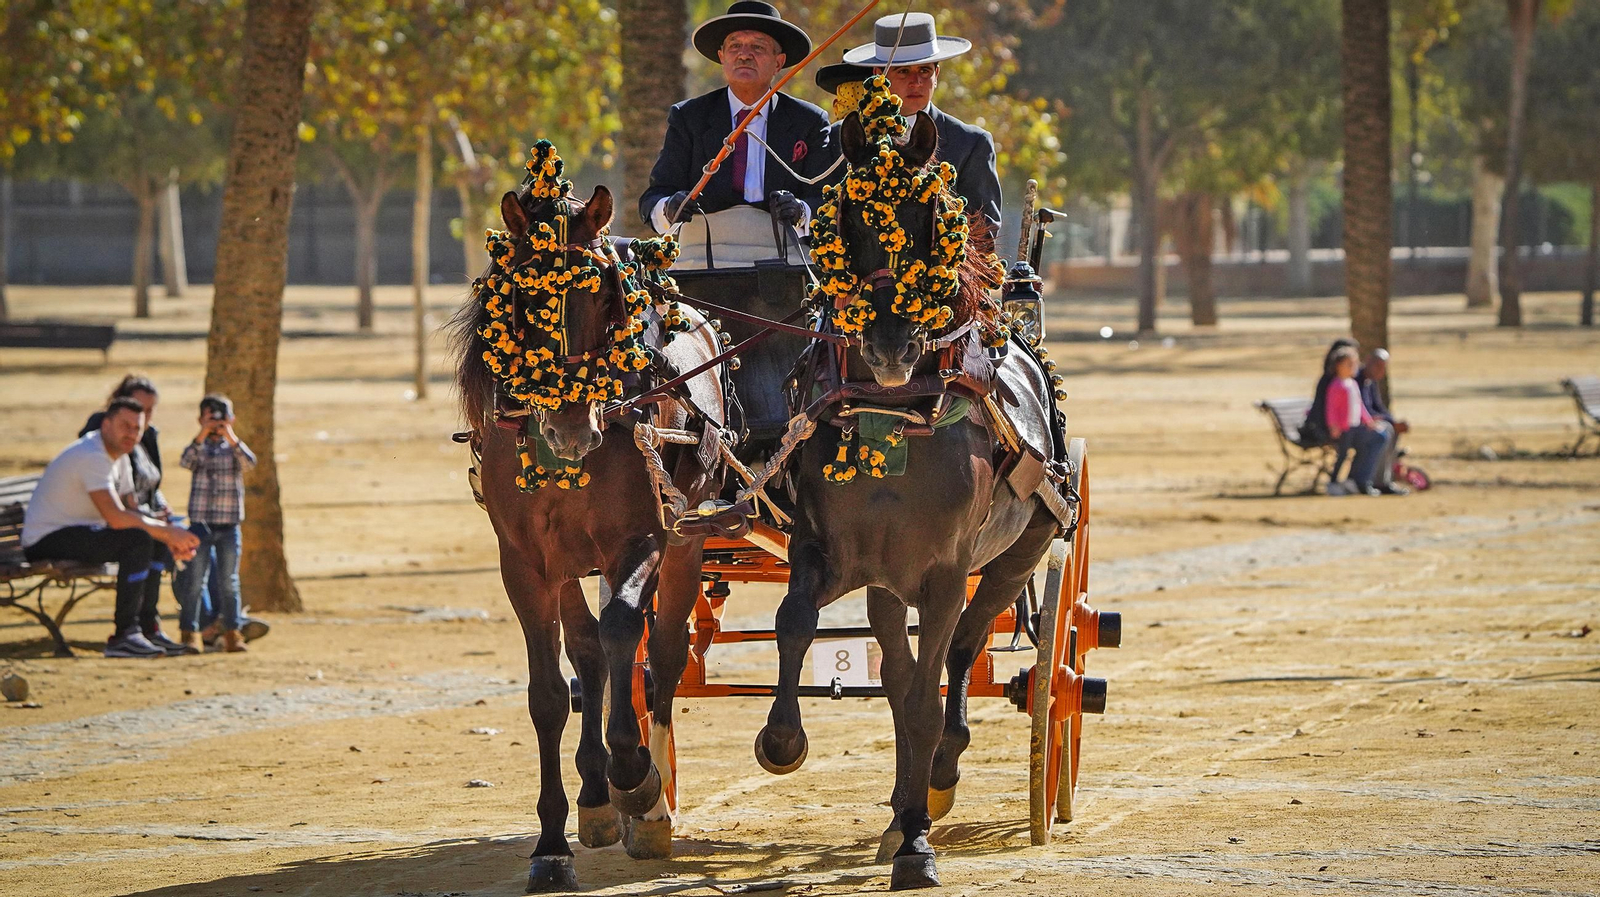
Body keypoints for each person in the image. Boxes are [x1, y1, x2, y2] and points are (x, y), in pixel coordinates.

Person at [23, 397, 200, 657]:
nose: (131, 433)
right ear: (106, 424)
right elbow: (116, 517)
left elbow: (132, 510)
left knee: (152, 539)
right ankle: (124, 636)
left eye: (137, 428)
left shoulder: (121, 456)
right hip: (46, 538)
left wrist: (168, 538)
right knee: (138, 540)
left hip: (82, 531)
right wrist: (166, 532)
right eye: (124, 425)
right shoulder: (91, 455)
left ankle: (148, 628)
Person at [638, 1, 830, 235]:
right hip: (703, 256)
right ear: (722, 57)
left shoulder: (809, 121)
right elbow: (653, 198)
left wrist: (801, 211)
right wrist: (669, 208)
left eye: (758, 48)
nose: (744, 56)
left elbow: (826, 202)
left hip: (784, 254)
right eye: (735, 46)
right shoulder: (689, 118)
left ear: (778, 62)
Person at [828, 12, 1004, 234]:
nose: (916, 82)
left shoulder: (971, 144)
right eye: (903, 71)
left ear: (937, 74)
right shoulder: (845, 137)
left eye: (924, 71)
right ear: (878, 75)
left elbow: (984, 231)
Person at [175, 394, 256, 653]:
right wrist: (202, 435)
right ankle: (190, 633)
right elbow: (185, 461)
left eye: (222, 418)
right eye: (211, 418)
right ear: (201, 419)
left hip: (229, 525)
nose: (217, 424)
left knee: (229, 581)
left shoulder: (233, 448)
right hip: (200, 525)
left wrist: (231, 437)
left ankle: (233, 633)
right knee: (195, 581)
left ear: (232, 419)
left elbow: (250, 463)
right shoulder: (199, 448)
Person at [1323, 347, 1387, 496]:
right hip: (1344, 429)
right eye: (1349, 365)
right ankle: (1333, 482)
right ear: (1338, 366)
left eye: (1354, 364)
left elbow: (1360, 407)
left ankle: (1353, 480)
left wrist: (1369, 421)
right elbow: (1331, 409)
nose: (1353, 368)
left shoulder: (1352, 384)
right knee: (1342, 455)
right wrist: (1333, 425)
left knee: (1374, 440)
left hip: (1355, 427)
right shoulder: (1336, 385)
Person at [1357, 348, 1409, 495]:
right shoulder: (1357, 379)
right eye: (1378, 365)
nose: (1381, 370)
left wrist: (1393, 421)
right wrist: (1385, 421)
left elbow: (1379, 407)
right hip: (1357, 426)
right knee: (1384, 430)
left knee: (1391, 428)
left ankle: (1385, 479)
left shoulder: (1371, 382)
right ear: (1368, 361)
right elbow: (1362, 409)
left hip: (1371, 423)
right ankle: (1378, 481)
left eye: (1383, 367)